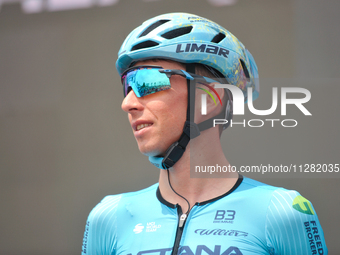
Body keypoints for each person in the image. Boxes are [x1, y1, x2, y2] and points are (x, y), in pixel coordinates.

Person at [81, 13, 327, 255]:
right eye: (127, 84)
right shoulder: (108, 217)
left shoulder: (283, 212)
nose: (127, 103)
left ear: (209, 100)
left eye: (146, 81)